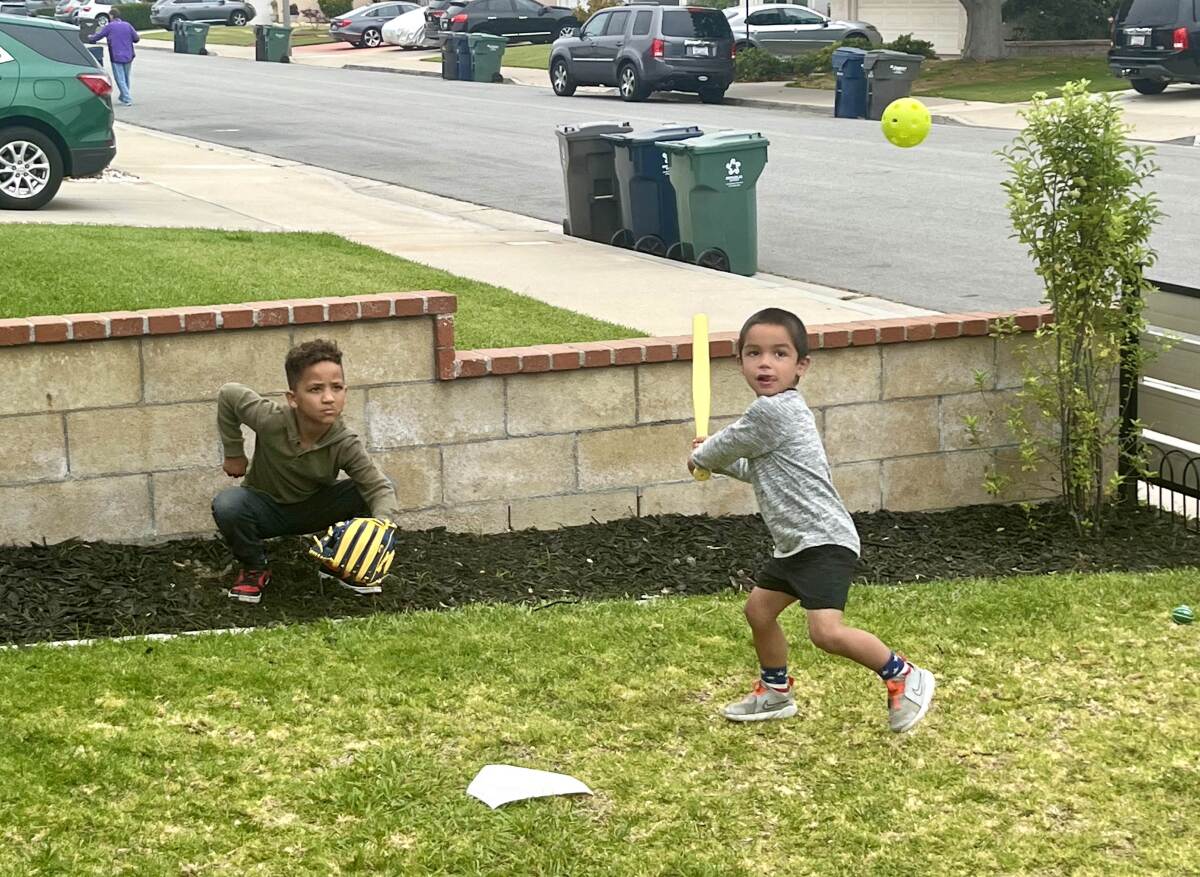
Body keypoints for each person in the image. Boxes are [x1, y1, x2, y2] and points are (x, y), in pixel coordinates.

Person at [689, 308, 935, 732]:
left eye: (780, 353)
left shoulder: (773, 413)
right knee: (759, 611)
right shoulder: (774, 416)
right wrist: (713, 456)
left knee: (826, 633)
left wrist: (702, 454)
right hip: (795, 543)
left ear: (801, 365)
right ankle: (775, 692)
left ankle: (904, 675)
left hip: (822, 540)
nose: (765, 363)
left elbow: (722, 448)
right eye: (754, 353)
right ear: (740, 362)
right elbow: (753, 468)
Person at [213, 339, 400, 604]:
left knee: (383, 486)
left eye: (337, 388)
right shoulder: (270, 420)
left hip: (316, 509)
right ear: (293, 398)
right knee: (228, 504)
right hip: (266, 509)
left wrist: (382, 525)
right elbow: (229, 394)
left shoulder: (345, 442)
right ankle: (254, 568)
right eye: (315, 389)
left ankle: (339, 565)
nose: (328, 398)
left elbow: (377, 487)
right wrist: (234, 452)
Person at [87, 8, 139, 107]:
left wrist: (89, 37)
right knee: (126, 77)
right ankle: (123, 96)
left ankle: (127, 98)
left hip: (116, 55)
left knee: (120, 78)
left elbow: (98, 36)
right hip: (129, 55)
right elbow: (136, 38)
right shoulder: (127, 25)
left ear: (111, 16)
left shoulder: (109, 27)